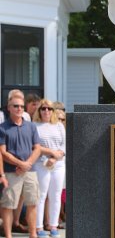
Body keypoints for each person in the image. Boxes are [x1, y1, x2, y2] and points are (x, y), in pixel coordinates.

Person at [0, 94, 41, 238]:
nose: (19, 109)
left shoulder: (31, 126)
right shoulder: (2, 128)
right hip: (11, 172)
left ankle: (33, 234)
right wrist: (20, 164)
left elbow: (37, 148)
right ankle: (8, 235)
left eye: (21, 106)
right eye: (16, 106)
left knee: (32, 202)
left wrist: (26, 164)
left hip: (30, 171)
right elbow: (3, 153)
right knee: (8, 205)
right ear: (9, 108)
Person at [32, 99, 66, 237]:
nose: (46, 111)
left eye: (49, 109)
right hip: (41, 164)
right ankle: (39, 227)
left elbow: (64, 145)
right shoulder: (34, 126)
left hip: (58, 165)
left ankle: (53, 226)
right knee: (41, 196)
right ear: (39, 111)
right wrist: (51, 153)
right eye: (43, 108)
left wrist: (55, 157)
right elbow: (35, 146)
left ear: (52, 111)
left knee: (56, 196)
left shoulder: (58, 125)